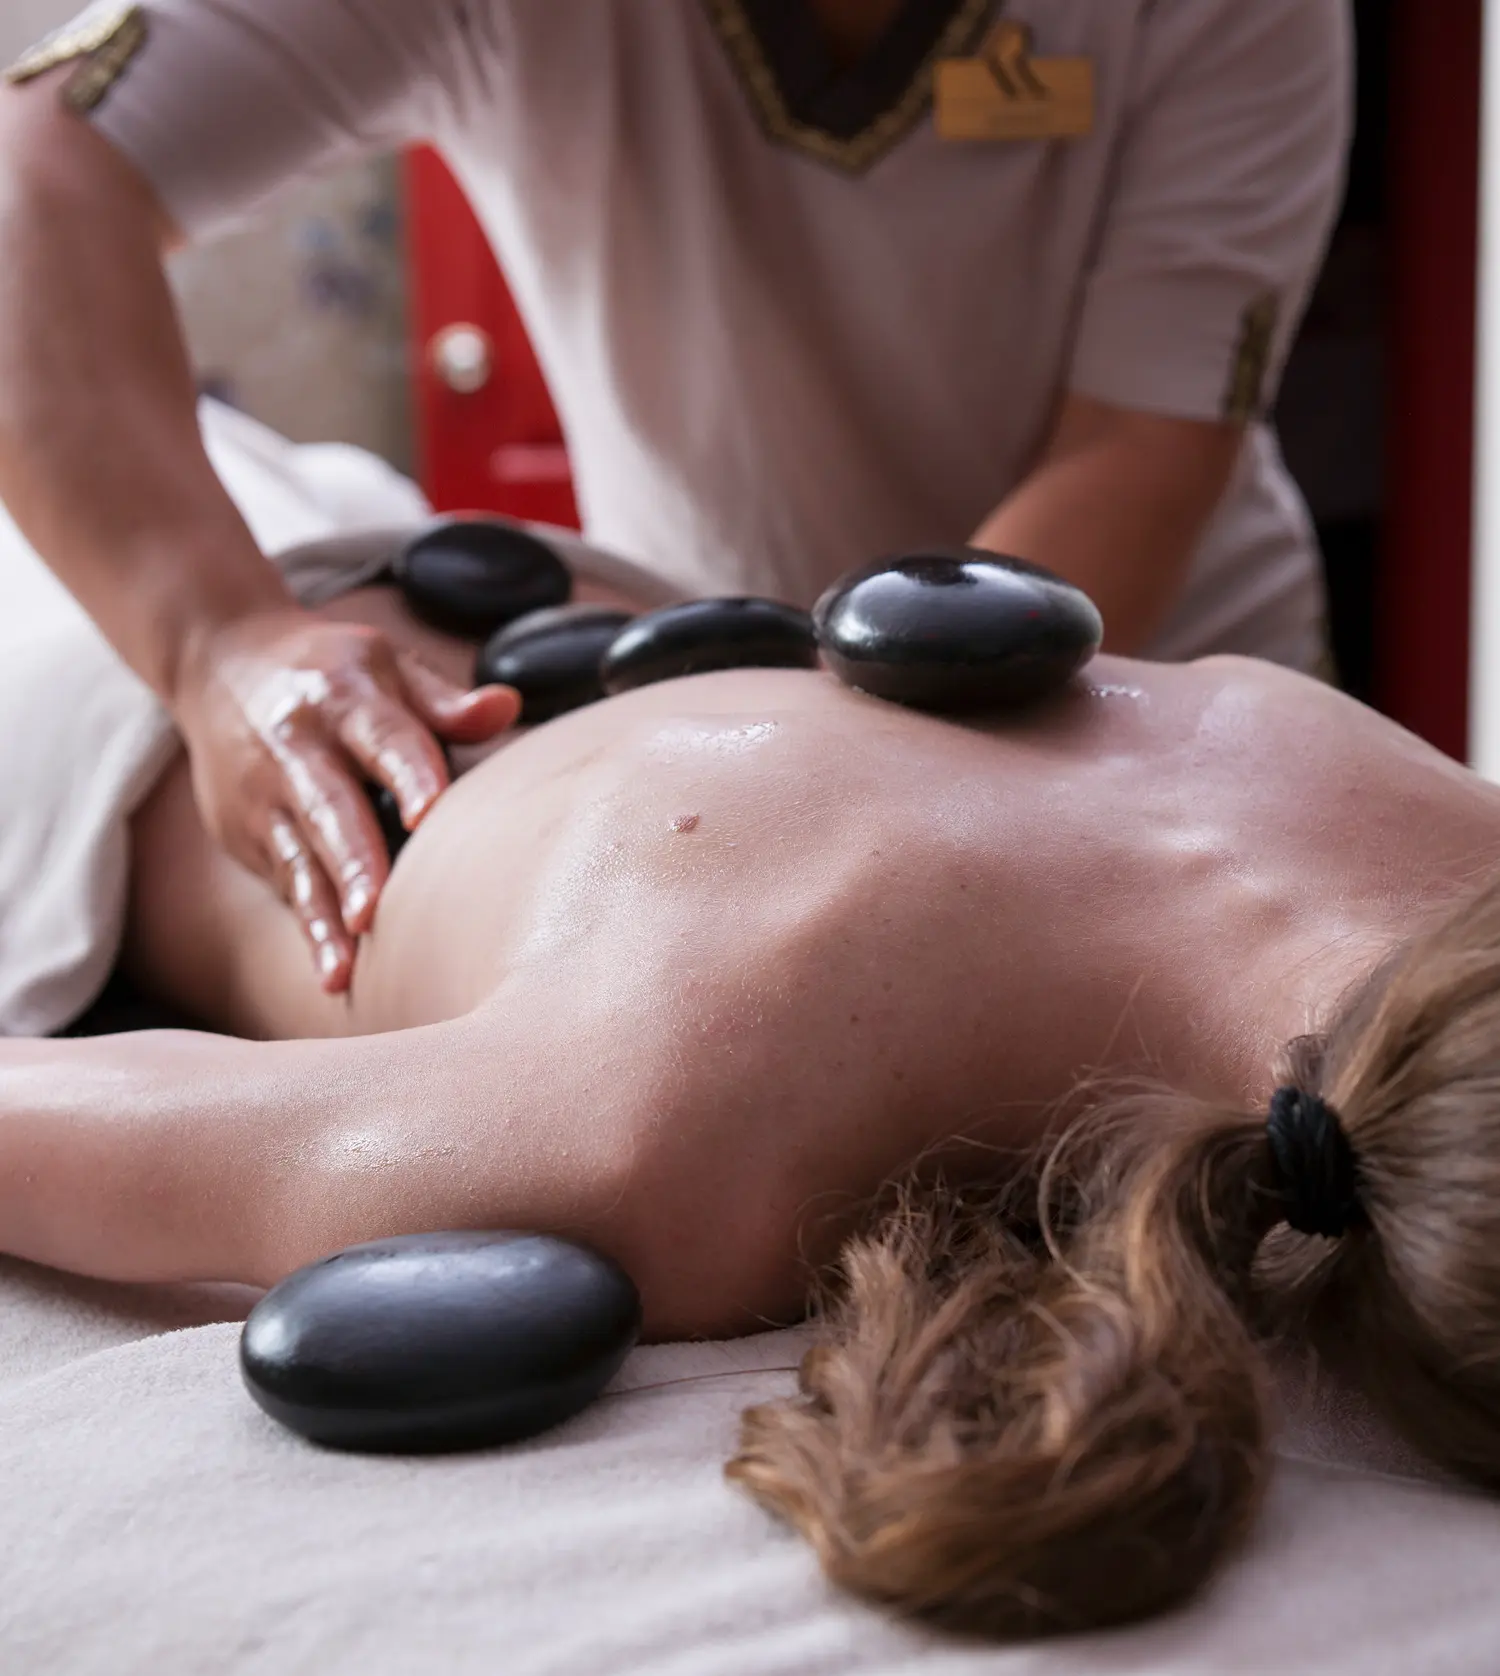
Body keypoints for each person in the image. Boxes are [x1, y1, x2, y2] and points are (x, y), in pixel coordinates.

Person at [5, 564, 1500, 1638]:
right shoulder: (673, 1132)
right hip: (222, 603)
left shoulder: (671, 1118)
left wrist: (206, 631)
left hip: (73, 703)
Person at [0, 0, 1351, 988]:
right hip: (739, 701)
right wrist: (220, 641)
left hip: (1164, 705)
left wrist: (864, 799)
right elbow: (31, 180)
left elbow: (1134, 455)